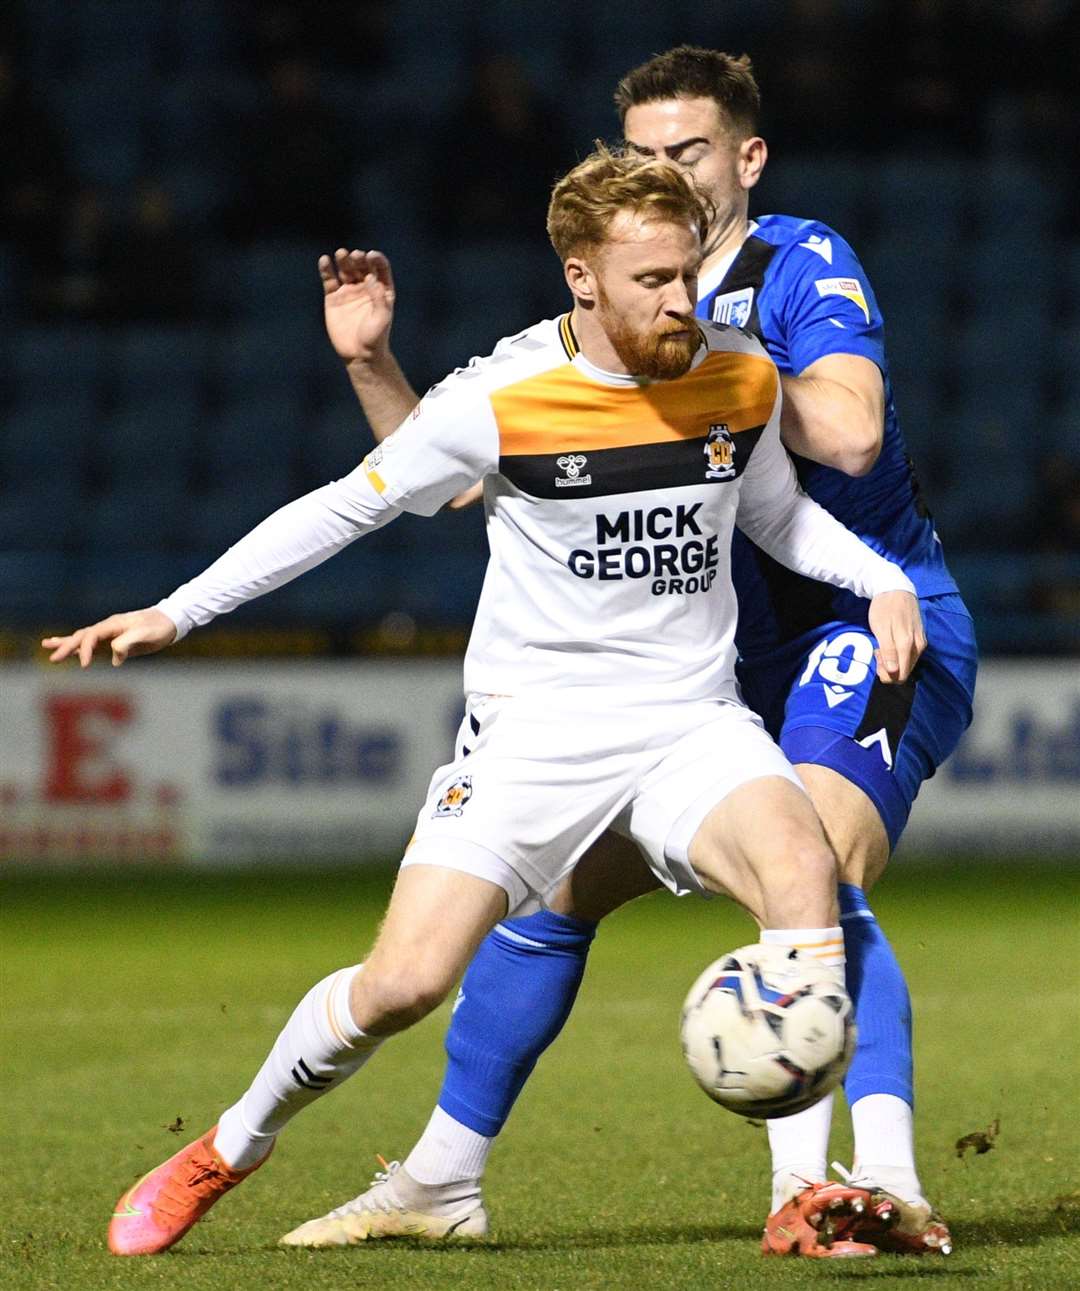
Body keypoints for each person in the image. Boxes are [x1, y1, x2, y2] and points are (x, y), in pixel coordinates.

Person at [43, 146, 925, 1258]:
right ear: (581, 276)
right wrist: (179, 611)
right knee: (403, 985)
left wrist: (880, 577)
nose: (680, 301)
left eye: (688, 274)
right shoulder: (499, 396)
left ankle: (799, 1193)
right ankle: (231, 1143)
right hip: (534, 736)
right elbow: (342, 509)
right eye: (651, 280)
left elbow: (777, 516)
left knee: (804, 874)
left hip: (690, 721)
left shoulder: (739, 372)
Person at [289, 48, 975, 1259]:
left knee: (812, 873)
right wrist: (377, 369)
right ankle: (441, 1178)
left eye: (691, 151)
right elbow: (455, 480)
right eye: (643, 154)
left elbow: (857, 435)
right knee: (558, 891)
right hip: (699, 667)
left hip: (857, 620)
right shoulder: (621, 304)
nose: (666, 173)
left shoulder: (795, 266)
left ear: (747, 159)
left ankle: (872, 1179)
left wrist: (712, 365)